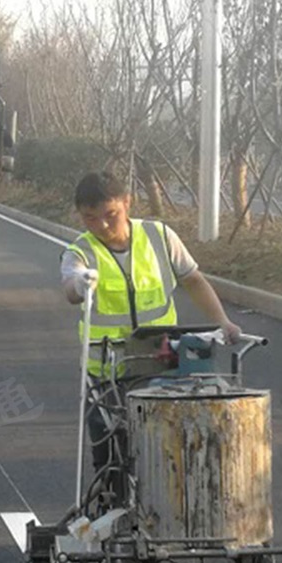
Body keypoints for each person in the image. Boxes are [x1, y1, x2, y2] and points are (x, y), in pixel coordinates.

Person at [61, 171, 241, 470]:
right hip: (107, 371)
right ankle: (110, 503)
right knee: (111, 455)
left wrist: (223, 321)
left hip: (162, 361)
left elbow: (193, 280)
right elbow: (70, 285)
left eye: (111, 214)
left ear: (127, 203)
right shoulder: (81, 251)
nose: (102, 225)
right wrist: (81, 284)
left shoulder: (159, 236)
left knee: (170, 447)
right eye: (90, 218)